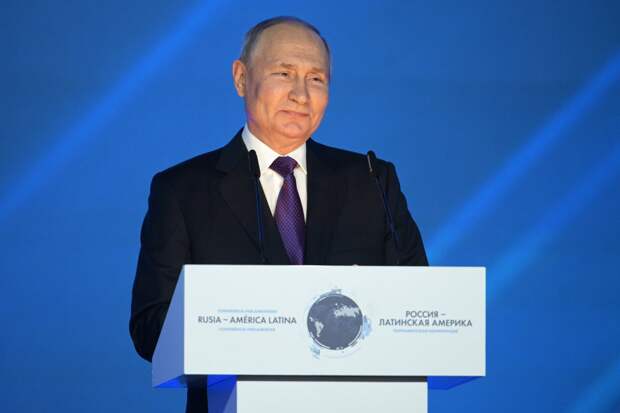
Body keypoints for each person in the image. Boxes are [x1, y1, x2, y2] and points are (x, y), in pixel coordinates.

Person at [130, 16, 428, 413]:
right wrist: (236, 330)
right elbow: (151, 326)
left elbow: (418, 310)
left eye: (316, 79)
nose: (300, 94)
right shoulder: (183, 189)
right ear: (241, 78)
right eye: (283, 74)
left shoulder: (372, 181)